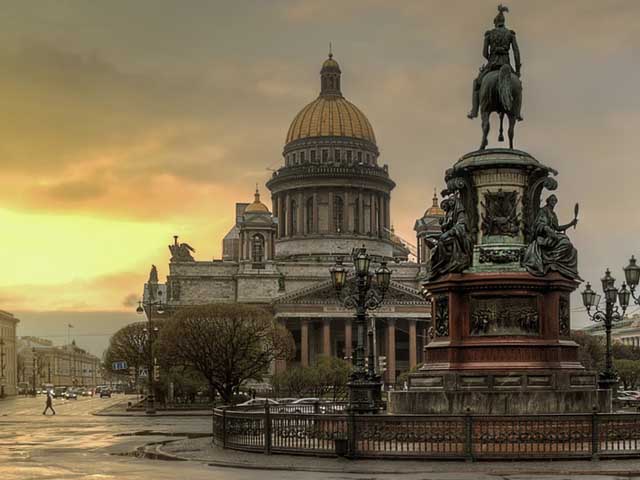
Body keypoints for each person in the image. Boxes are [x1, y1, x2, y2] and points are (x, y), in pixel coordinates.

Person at [468, 4, 522, 120]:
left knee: (477, 83)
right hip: (506, 64)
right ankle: (517, 113)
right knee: (518, 86)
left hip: (492, 64)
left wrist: (491, 59)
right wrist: (517, 71)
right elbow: (516, 53)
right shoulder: (510, 34)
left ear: (496, 22)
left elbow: (484, 53)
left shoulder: (489, 34)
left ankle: (474, 111)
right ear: (503, 22)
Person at [522, 195, 579, 279]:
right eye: (552, 200)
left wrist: (571, 223)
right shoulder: (543, 211)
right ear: (548, 201)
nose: (554, 202)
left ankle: (554, 260)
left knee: (571, 248)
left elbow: (557, 228)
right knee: (566, 243)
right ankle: (552, 260)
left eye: (555, 201)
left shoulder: (553, 214)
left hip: (551, 236)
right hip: (544, 237)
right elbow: (540, 224)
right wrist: (549, 231)